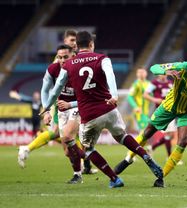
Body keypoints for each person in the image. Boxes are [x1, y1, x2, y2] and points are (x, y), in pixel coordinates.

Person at [42, 31, 163, 188]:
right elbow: (110, 75)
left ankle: (114, 179)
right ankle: (145, 156)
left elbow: (56, 89)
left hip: (89, 115)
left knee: (87, 149)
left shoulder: (69, 65)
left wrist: (46, 108)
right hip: (108, 108)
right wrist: (113, 95)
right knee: (122, 136)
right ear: (92, 44)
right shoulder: (102, 58)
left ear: (76, 47)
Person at [114, 47, 187, 187]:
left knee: (182, 142)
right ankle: (128, 159)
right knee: (147, 133)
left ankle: (161, 177)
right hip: (169, 106)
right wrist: (167, 72)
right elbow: (154, 67)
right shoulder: (181, 67)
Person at [17, 30, 96, 175]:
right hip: (60, 104)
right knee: (62, 141)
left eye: (75, 40)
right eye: (71, 40)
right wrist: (47, 110)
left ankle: (84, 167)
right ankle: (86, 163)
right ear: (66, 41)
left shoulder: (77, 59)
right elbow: (48, 87)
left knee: (74, 135)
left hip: (76, 105)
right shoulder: (58, 62)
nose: (74, 42)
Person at [143, 75, 180, 163]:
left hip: (171, 111)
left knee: (171, 135)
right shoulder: (154, 83)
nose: (163, 75)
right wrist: (155, 100)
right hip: (161, 112)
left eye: (164, 73)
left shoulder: (170, 84)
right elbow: (145, 94)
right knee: (169, 134)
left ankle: (151, 147)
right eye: (161, 73)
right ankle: (169, 157)